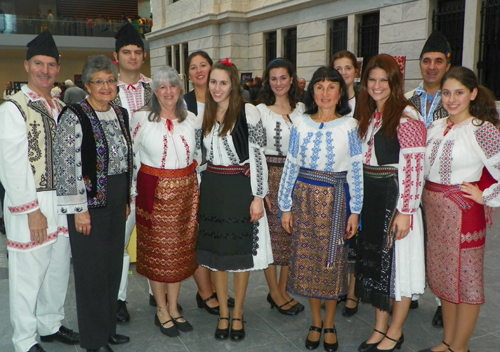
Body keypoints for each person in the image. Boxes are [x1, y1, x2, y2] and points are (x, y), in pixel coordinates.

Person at [0, 30, 80, 352]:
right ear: (26, 65)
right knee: (28, 274)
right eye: (38, 64)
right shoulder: (13, 108)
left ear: (58, 68)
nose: (44, 70)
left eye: (50, 64)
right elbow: (12, 165)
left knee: (58, 268)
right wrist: (32, 210)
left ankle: (50, 323)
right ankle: (24, 340)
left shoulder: (61, 107)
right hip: (32, 201)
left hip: (60, 201)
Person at [278, 66, 363, 352]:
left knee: (332, 264)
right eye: (320, 86)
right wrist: (285, 206)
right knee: (308, 262)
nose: (325, 93)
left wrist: (356, 210)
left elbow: (355, 169)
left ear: (340, 93)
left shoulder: (350, 126)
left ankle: (330, 322)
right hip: (304, 200)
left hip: (336, 200)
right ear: (311, 91)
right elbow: (291, 164)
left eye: (331, 87)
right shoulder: (301, 123)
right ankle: (315, 321)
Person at [55, 55, 132, 352]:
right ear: (87, 85)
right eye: (99, 81)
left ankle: (107, 328)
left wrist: (125, 198)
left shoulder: (121, 114)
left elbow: (126, 160)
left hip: (116, 197)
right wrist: (79, 209)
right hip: (88, 203)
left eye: (111, 80)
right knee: (91, 272)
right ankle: (93, 340)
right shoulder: (74, 114)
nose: (106, 86)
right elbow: (66, 164)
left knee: (112, 266)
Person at [419, 66, 499, 352]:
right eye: (447, 93)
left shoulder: (482, 129)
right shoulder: (437, 126)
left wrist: (486, 195)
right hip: (435, 214)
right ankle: (448, 342)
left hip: (463, 214)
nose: (452, 99)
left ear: (473, 94)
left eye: (459, 93)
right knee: (444, 281)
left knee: (466, 284)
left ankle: (460, 347)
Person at [196, 59, 273, 342]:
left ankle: (238, 313)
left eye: (223, 83)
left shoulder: (248, 112)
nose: (217, 88)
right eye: (213, 82)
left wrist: (258, 196)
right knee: (217, 257)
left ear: (234, 85)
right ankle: (223, 315)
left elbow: (258, 157)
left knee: (240, 257)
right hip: (214, 189)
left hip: (240, 187)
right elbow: (198, 156)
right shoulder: (204, 114)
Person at [355, 54, 426, 352]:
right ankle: (379, 327)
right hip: (374, 198)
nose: (377, 85)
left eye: (384, 79)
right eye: (372, 79)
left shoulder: (407, 116)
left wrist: (406, 211)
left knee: (399, 269)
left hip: (396, 201)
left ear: (395, 82)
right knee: (378, 268)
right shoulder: (372, 115)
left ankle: (395, 332)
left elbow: (414, 167)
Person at [131, 66, 200, 338]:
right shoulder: (141, 119)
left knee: (179, 253)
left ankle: (174, 305)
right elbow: (132, 156)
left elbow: (196, 154)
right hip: (154, 191)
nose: (168, 91)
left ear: (179, 89)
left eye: (173, 86)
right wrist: (132, 192)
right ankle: (161, 308)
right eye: (162, 87)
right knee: (158, 253)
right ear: (155, 92)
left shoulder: (191, 118)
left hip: (185, 191)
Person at [405, 30, 452, 324]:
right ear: (419, 64)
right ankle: (409, 291)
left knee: (441, 245)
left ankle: (441, 301)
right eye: (426, 61)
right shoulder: (406, 99)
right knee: (410, 237)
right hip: (410, 182)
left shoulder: (455, 99)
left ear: (448, 64)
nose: (431, 66)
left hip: (441, 184)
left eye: (438, 61)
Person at [185, 50, 237, 315]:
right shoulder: (183, 103)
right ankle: (205, 292)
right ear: (188, 74)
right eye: (193, 67)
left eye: (203, 65)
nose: (199, 71)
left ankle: (215, 289)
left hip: (220, 180)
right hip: (195, 178)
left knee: (214, 237)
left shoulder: (226, 100)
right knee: (197, 237)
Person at [256, 57, 305, 317]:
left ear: (292, 79)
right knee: (270, 238)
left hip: (295, 177)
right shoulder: (259, 110)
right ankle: (274, 292)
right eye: (273, 78)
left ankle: (283, 290)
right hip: (269, 176)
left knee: (290, 236)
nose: (278, 83)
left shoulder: (302, 110)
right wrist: (260, 189)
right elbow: (255, 151)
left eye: (283, 78)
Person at [112, 22, 152, 321]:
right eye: (127, 52)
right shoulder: (106, 88)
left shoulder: (156, 87)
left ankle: (158, 293)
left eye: (138, 52)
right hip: (122, 179)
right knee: (119, 241)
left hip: (152, 176)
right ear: (117, 56)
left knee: (156, 236)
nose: (133, 57)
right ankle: (118, 298)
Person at [331, 50, 361, 318]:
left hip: (360, 174)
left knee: (356, 235)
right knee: (339, 235)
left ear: (355, 71)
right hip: (338, 178)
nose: (342, 72)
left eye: (347, 68)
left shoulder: (365, 101)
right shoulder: (330, 101)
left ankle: (353, 291)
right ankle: (338, 285)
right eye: (337, 68)